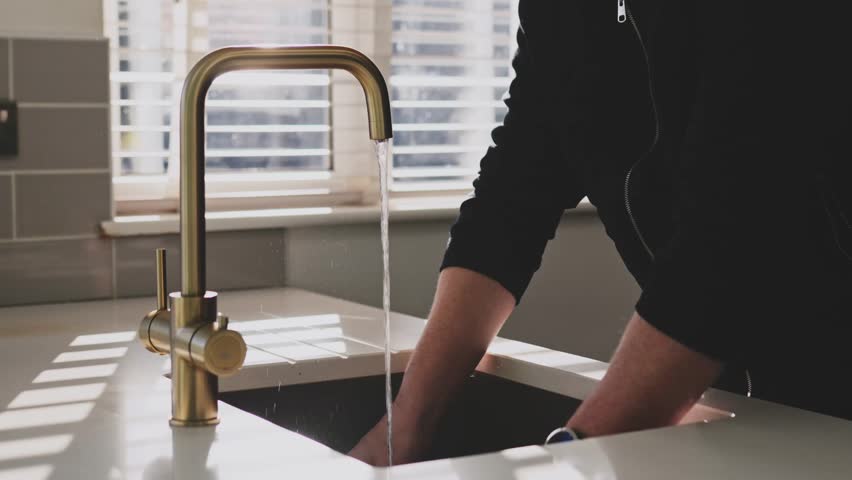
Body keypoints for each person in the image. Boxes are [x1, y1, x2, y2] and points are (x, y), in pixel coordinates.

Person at [351, 0, 852, 466]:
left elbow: (734, 235)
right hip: (754, 401)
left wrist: (573, 455)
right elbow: (511, 203)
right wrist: (406, 427)